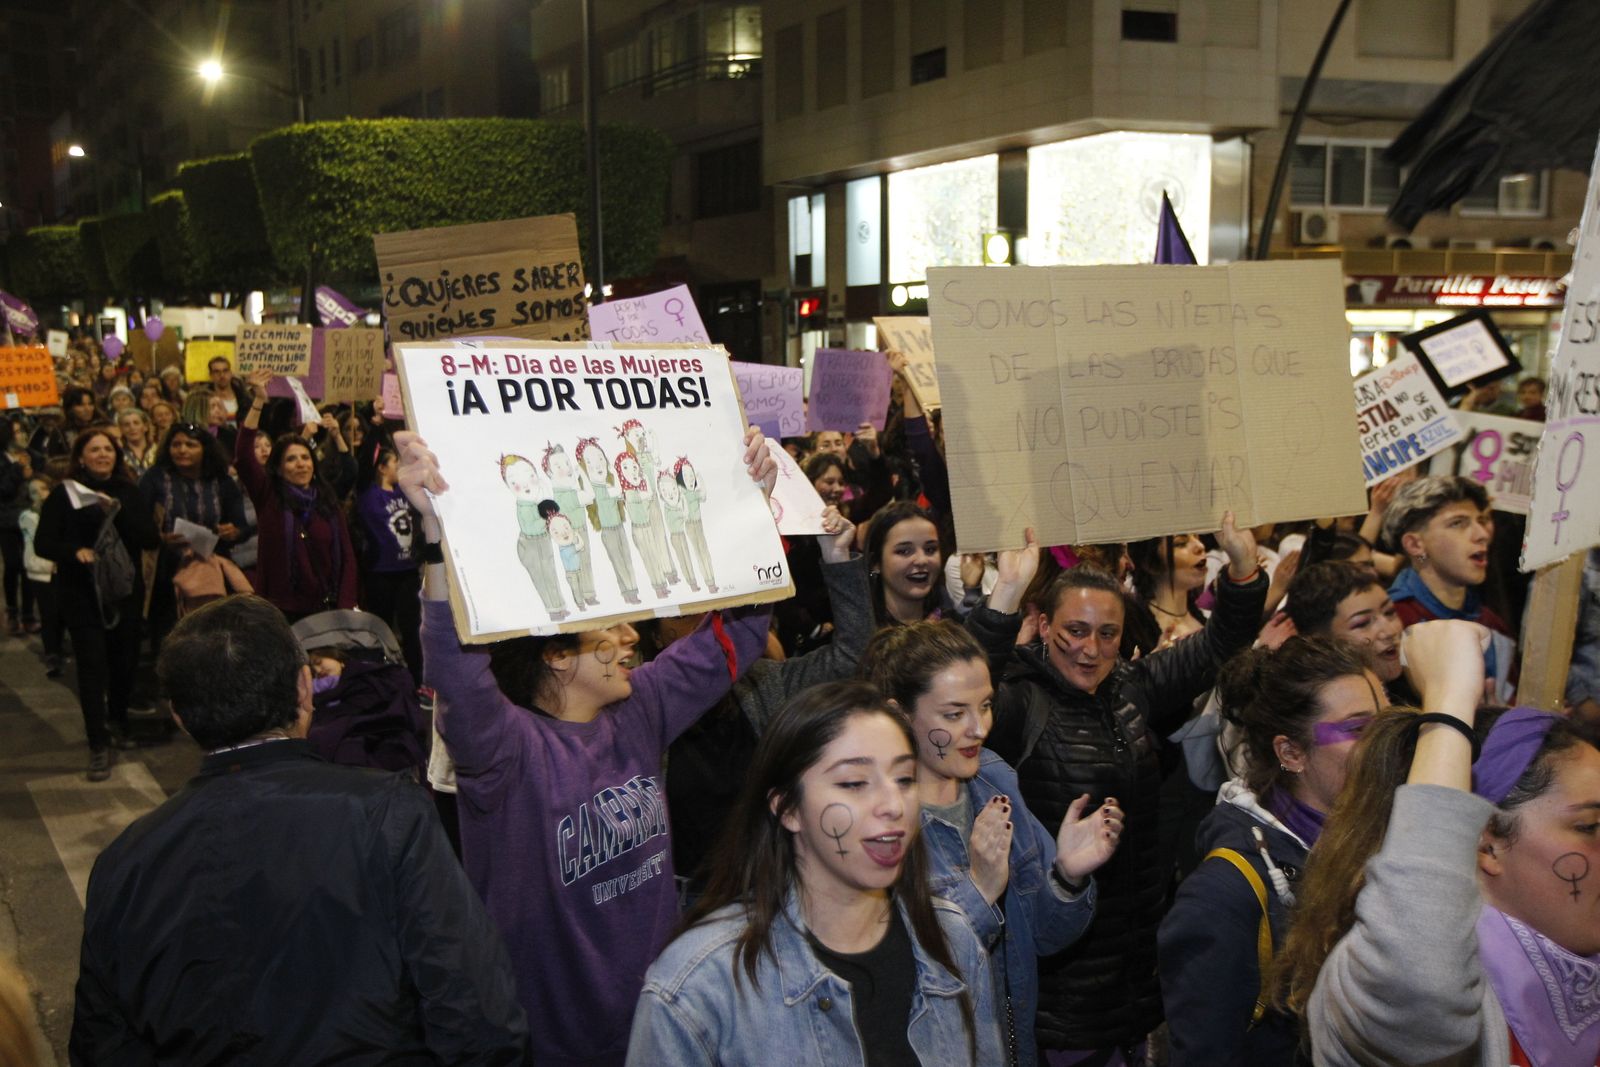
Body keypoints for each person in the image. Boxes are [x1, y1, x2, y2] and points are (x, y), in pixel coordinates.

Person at [402, 424, 780, 1066]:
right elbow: (456, 671)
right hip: (548, 1042)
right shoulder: (505, 751)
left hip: (659, 1027)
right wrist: (437, 544)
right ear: (554, 654)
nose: (633, 635)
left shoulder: (642, 708)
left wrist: (752, 514)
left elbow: (734, 637)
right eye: (609, 627)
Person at [68, 595, 530, 1065]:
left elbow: (102, 1041)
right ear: (305, 688)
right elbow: (475, 1009)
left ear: (180, 717)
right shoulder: (387, 814)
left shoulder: (125, 862)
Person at [965, 515, 1267, 1063]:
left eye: (1107, 634)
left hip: (1135, 970)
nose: (1091, 649)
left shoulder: (1132, 687)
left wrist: (1244, 569)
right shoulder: (1014, 702)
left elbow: (1220, 643)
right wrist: (1005, 592)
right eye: (1074, 631)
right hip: (1058, 983)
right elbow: (960, 684)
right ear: (1043, 623)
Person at [626, 681, 1005, 1066]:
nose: (893, 804)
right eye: (854, 783)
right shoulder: (699, 984)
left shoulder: (951, 938)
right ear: (787, 808)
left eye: (905, 779)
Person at [1279, 620, 1600, 1066]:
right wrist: (1449, 700)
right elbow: (1420, 981)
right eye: (1589, 827)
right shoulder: (1374, 981)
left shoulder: (1575, 957)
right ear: (1485, 844)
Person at [861, 619, 1122, 1067]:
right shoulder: (874, 826)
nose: (979, 728)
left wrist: (1067, 877)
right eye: (954, 713)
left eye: (984, 706)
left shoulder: (996, 780)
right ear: (898, 714)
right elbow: (904, 980)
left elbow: (1044, 936)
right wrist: (978, 892)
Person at [1158, 637, 1379, 1065]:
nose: (1385, 745)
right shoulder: (1223, 896)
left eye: (1386, 726)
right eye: (1358, 729)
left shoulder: (1374, 839)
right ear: (1292, 752)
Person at [33, 428, 159, 780]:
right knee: (92, 668)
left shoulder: (128, 491)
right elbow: (43, 543)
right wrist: (75, 552)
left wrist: (117, 512)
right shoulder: (65, 495)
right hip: (82, 593)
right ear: (81, 457)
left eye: (108, 449)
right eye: (95, 450)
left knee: (124, 662)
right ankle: (97, 742)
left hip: (122, 591)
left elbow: (150, 538)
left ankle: (118, 721)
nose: (103, 455)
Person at [235, 370, 358, 620]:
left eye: (305, 458)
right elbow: (244, 457)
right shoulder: (269, 496)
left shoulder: (326, 500)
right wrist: (258, 401)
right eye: (291, 459)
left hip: (328, 607)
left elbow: (347, 557)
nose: (301, 464)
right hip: (282, 609)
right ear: (278, 468)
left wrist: (344, 605)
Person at [1380, 475, 1515, 698]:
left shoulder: (1493, 624)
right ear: (1415, 544)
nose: (1482, 535)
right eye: (1457, 523)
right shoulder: (1394, 623)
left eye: (1480, 521)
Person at [139, 423, 250, 651]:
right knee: (171, 638)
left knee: (210, 635)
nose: (182, 450)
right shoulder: (156, 478)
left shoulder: (221, 481)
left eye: (190, 445)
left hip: (210, 568)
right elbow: (139, 521)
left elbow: (241, 525)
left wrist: (234, 532)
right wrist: (159, 537)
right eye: (176, 444)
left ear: (205, 449)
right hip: (166, 570)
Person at [1285, 560, 1408, 698]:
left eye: (1389, 612)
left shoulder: (1411, 679)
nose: (1390, 631)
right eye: (1363, 623)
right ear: (1320, 641)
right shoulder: (1324, 710)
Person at [20, 476, 62, 676]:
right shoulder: (28, 516)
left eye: (43, 489)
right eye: (34, 492)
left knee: (60, 612)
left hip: (58, 568)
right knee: (48, 613)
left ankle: (59, 648)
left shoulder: (57, 513)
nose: (39, 495)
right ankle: (52, 654)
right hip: (39, 570)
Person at [207, 355, 252, 423]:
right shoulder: (204, 399)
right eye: (217, 371)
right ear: (211, 375)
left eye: (225, 371)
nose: (222, 375)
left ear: (230, 373)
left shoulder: (245, 398)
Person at [114, 408, 156, 478]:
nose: (132, 427)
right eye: (127, 425)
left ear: (145, 427)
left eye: (136, 423)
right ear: (121, 429)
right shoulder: (118, 452)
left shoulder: (158, 450)